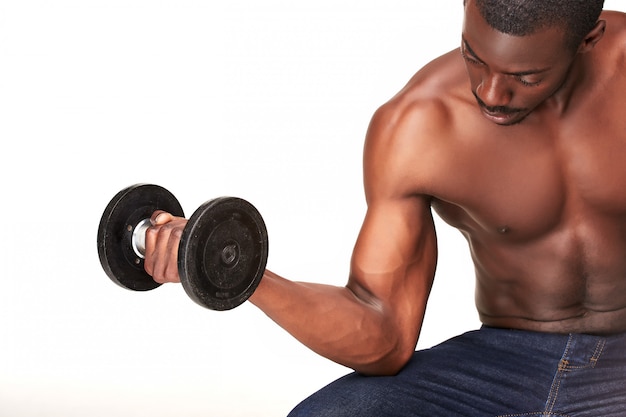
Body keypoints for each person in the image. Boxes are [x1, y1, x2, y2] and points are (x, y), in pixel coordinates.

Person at [143, 0, 626, 415]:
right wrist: (244, 274)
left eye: (525, 76)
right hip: (505, 360)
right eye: (474, 58)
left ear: (589, 38)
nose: (490, 93)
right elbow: (385, 336)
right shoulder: (419, 126)